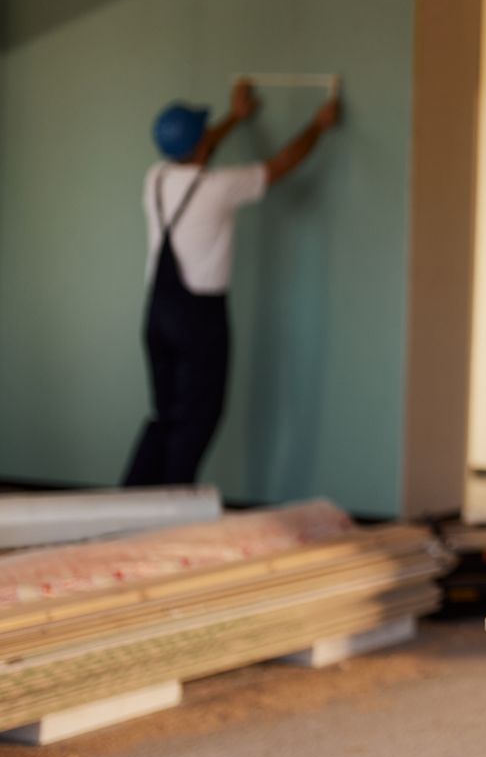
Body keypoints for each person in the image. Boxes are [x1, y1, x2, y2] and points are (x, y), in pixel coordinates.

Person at [126, 79, 341, 487]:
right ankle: (171, 514)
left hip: (157, 315)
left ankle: (129, 503)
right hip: (198, 320)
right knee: (198, 418)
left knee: (166, 416)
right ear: (202, 143)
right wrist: (318, 125)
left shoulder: (154, 179)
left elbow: (196, 148)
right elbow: (280, 165)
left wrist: (236, 119)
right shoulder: (219, 187)